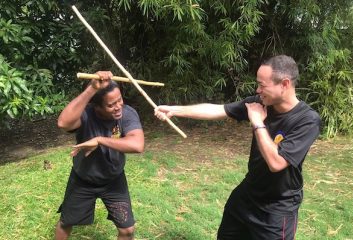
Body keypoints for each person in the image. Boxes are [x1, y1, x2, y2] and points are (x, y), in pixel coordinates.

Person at [154, 55, 321, 240]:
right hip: (247, 196)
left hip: (277, 208)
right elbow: (220, 109)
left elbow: (276, 162)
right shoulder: (260, 102)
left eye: (262, 85)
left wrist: (257, 122)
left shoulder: (307, 120)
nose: (258, 90)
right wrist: (174, 110)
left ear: (284, 84)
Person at [55, 71, 144, 240]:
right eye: (111, 105)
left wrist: (99, 140)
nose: (118, 107)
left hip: (113, 180)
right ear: (96, 106)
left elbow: (137, 145)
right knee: (66, 223)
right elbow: (63, 123)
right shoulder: (86, 114)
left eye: (120, 100)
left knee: (127, 230)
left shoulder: (127, 113)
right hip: (83, 179)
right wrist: (91, 89)